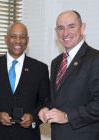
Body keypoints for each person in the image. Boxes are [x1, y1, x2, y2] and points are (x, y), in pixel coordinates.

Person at [0, 22, 50, 140]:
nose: (18, 41)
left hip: (28, 136)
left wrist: (33, 117)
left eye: (22, 37)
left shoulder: (40, 69)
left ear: (27, 40)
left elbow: (46, 102)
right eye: (13, 36)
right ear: (6, 39)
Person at [38, 10, 99, 140]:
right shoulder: (56, 62)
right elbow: (57, 99)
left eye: (71, 26)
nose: (65, 33)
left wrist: (67, 116)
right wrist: (46, 108)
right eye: (61, 28)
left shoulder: (95, 59)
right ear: (56, 32)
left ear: (82, 28)